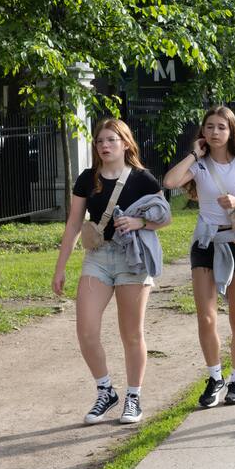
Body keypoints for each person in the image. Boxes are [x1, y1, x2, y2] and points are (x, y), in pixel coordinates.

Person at [53, 118, 170, 426]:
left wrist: (140, 222)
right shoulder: (87, 178)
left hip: (133, 258)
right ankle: (105, 390)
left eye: (111, 140)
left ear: (125, 143)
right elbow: (74, 224)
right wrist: (60, 268)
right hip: (98, 257)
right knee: (86, 330)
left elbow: (164, 216)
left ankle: (133, 396)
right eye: (100, 141)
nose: (104, 146)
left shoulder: (143, 178)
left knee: (131, 333)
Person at [162, 105, 235, 408]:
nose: (215, 132)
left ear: (232, 130)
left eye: (221, 127)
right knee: (206, 316)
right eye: (209, 127)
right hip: (206, 242)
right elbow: (170, 182)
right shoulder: (199, 165)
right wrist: (194, 154)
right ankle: (215, 377)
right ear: (202, 132)